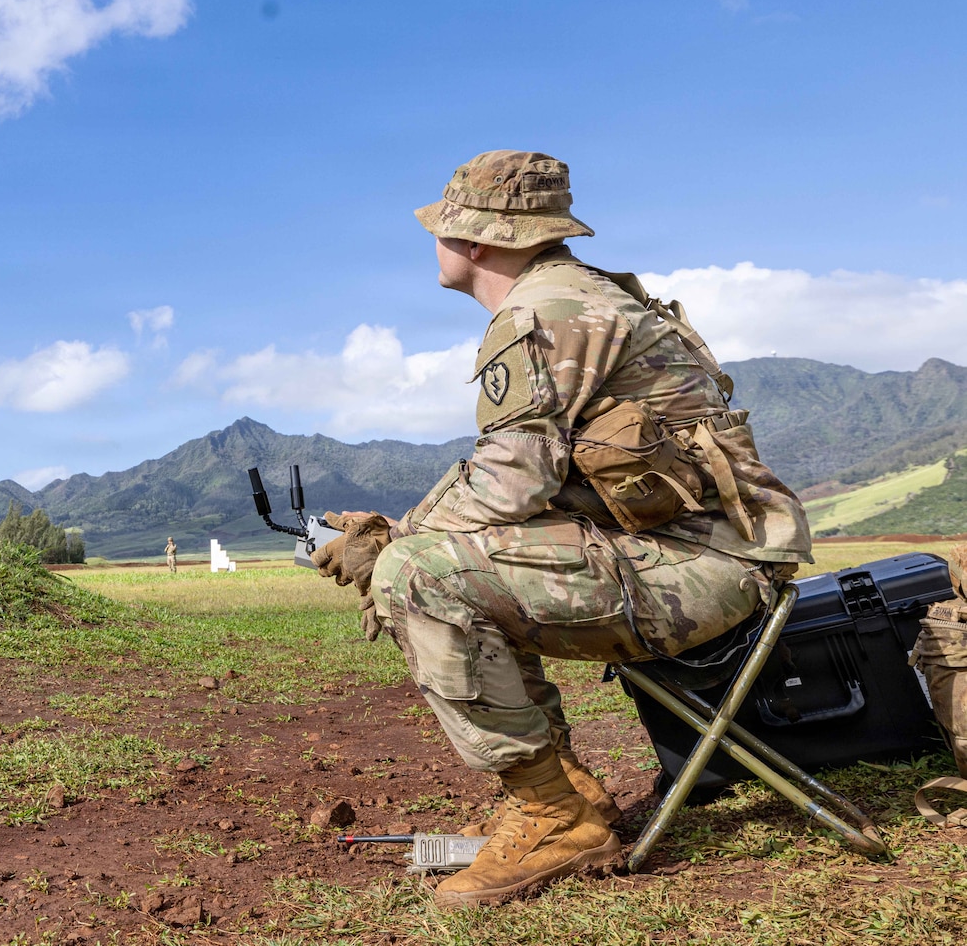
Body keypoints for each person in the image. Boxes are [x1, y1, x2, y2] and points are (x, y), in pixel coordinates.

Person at [312, 150, 810, 908]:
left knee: (418, 575)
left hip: (704, 567)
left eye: (442, 229)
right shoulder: (575, 296)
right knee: (433, 559)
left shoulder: (541, 314)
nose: (435, 243)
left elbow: (512, 482)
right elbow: (522, 478)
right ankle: (564, 790)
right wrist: (398, 528)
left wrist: (389, 544)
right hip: (704, 552)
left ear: (476, 240)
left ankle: (553, 815)